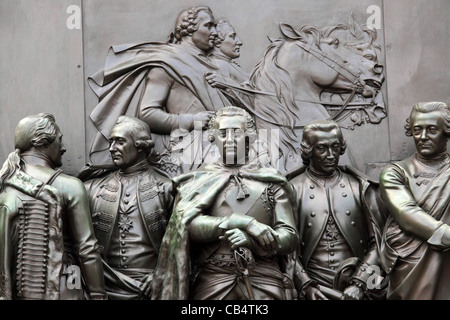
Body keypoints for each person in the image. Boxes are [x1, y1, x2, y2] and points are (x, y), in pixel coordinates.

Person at [152, 106, 299, 300]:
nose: (229, 140)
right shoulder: (197, 182)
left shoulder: (271, 182)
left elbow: (290, 237)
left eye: (236, 133)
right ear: (213, 138)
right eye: (222, 134)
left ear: (249, 137)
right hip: (213, 279)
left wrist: (253, 242)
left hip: (264, 278)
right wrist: (239, 222)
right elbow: (186, 226)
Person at [88, 6, 234, 175]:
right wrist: (192, 120)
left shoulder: (210, 64)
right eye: (208, 26)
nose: (215, 32)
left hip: (222, 145)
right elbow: (147, 113)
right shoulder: (167, 63)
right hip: (193, 152)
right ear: (188, 30)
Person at [0, 113, 106, 300]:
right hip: (60, 288)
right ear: (41, 141)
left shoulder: (4, 182)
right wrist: (99, 295)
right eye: (59, 140)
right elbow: (87, 249)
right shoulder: (69, 186)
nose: (63, 148)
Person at [287, 120, 387, 300]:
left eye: (335, 147)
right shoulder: (291, 189)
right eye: (322, 148)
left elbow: (379, 244)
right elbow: (287, 251)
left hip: (356, 285)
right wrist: (306, 285)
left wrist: (360, 283)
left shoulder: (359, 187)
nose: (331, 155)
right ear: (309, 151)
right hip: (314, 287)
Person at [84, 116, 174, 299]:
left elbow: (182, 243)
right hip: (104, 284)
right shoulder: (92, 188)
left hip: (149, 287)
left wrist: (161, 273)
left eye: (119, 141)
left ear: (140, 145)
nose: (111, 148)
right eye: (110, 142)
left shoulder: (167, 188)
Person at [379, 101, 450, 300]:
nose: (423, 137)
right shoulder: (394, 173)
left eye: (432, 130)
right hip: (411, 266)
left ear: (446, 132)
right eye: (417, 130)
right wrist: (444, 234)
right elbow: (405, 212)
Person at [209, 20, 249, 84]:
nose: (239, 42)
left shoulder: (229, 64)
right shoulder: (219, 65)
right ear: (217, 42)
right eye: (232, 37)